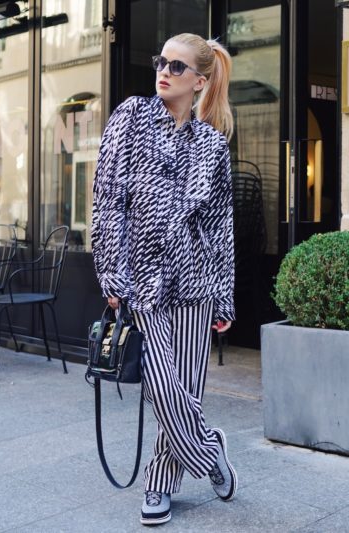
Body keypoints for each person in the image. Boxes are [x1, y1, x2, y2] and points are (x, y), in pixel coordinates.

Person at [91, 33, 237, 526]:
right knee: (162, 386)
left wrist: (224, 297)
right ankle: (209, 451)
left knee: (187, 388)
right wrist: (111, 270)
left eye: (177, 67)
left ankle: (159, 482)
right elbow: (108, 200)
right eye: (162, 62)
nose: (164, 71)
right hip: (143, 281)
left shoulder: (212, 144)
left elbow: (220, 226)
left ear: (199, 80)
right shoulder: (129, 118)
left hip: (196, 282)